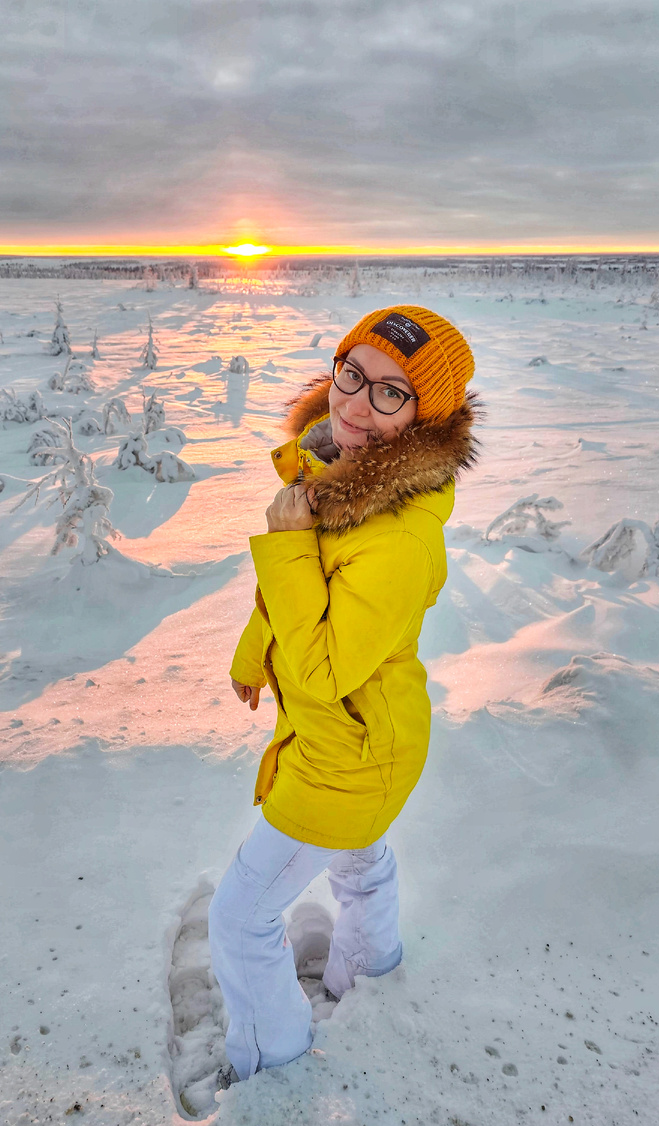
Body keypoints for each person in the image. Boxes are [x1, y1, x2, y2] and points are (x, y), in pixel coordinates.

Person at [208, 305, 480, 1084]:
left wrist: (288, 543)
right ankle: (369, 968)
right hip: (370, 734)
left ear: (427, 417)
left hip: (348, 756)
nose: (356, 406)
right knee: (358, 864)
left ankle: (273, 1057)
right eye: (352, 374)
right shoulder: (334, 476)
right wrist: (253, 653)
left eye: (392, 394)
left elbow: (325, 666)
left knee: (241, 915)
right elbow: (305, 606)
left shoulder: (397, 535)